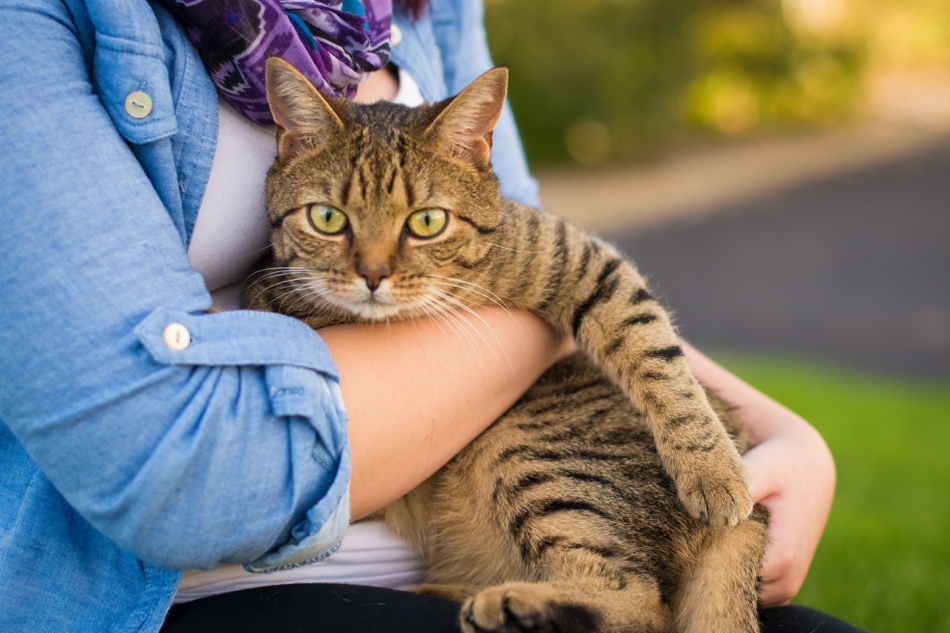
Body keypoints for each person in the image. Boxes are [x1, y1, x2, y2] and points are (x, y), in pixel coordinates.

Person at [0, 0, 854, 631]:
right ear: (292, 155)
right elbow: (187, 475)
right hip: (212, 588)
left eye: (416, 228)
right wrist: (540, 305)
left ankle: (608, 588)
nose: (374, 270)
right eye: (329, 222)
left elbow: (567, 269)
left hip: (491, 528)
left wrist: (789, 437)